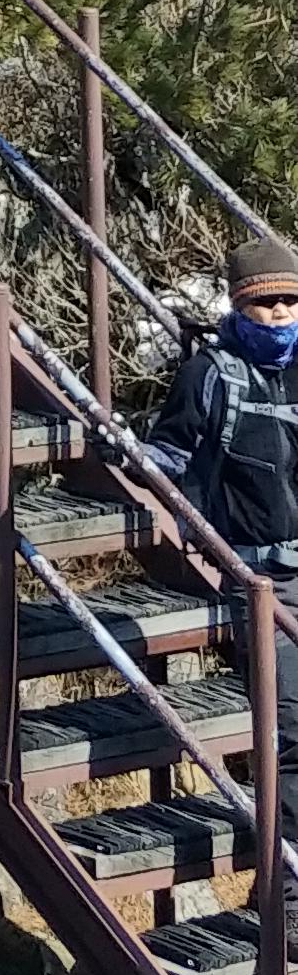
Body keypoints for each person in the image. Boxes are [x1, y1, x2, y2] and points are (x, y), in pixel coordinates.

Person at [147, 226, 298, 753]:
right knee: (290, 730)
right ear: (239, 305)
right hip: (256, 577)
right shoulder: (207, 375)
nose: (280, 312)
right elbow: (167, 456)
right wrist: (123, 452)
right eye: (266, 301)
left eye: (290, 300)